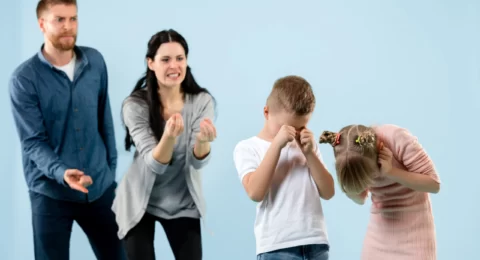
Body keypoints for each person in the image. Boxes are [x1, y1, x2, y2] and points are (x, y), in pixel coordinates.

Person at [8, 0, 125, 259]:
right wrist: (62, 173)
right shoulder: (24, 79)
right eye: (59, 20)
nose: (68, 27)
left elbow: (103, 118)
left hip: (99, 186)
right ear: (41, 24)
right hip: (50, 194)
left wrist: (110, 170)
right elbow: (33, 142)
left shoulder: (95, 60)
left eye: (73, 19)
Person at [112, 29, 216, 260]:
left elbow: (197, 162)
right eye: (165, 59)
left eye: (180, 58)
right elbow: (154, 164)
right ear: (150, 63)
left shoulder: (201, 101)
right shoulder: (135, 105)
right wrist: (168, 137)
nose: (174, 66)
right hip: (140, 201)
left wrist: (202, 141)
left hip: (182, 201)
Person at [233, 76, 335, 260]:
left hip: (316, 243)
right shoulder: (248, 147)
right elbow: (255, 192)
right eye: (285, 127)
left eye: (301, 127)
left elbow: (328, 192)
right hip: (277, 247)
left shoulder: (307, 147)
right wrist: (276, 146)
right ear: (266, 112)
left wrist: (310, 153)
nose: (293, 133)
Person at [319, 124, 440, 260]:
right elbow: (360, 199)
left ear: (379, 150)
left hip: (416, 235)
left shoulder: (397, 138)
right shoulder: (349, 154)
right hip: (378, 236)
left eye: (371, 173)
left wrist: (391, 172)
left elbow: (434, 185)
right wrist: (351, 189)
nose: (372, 179)